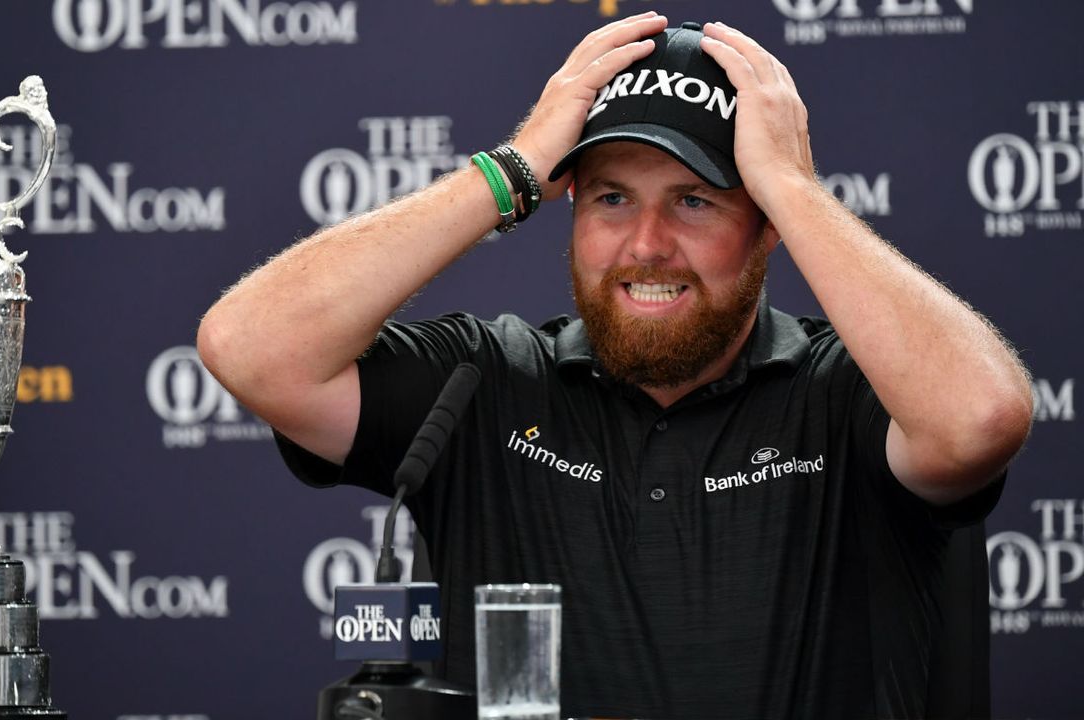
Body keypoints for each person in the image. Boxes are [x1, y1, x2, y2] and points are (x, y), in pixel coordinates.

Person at [198, 13, 1032, 719]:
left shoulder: (845, 391)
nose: (644, 245)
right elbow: (249, 348)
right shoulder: (482, 382)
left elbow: (981, 419)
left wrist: (794, 185)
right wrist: (514, 167)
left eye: (695, 200)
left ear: (766, 225)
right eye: (611, 197)